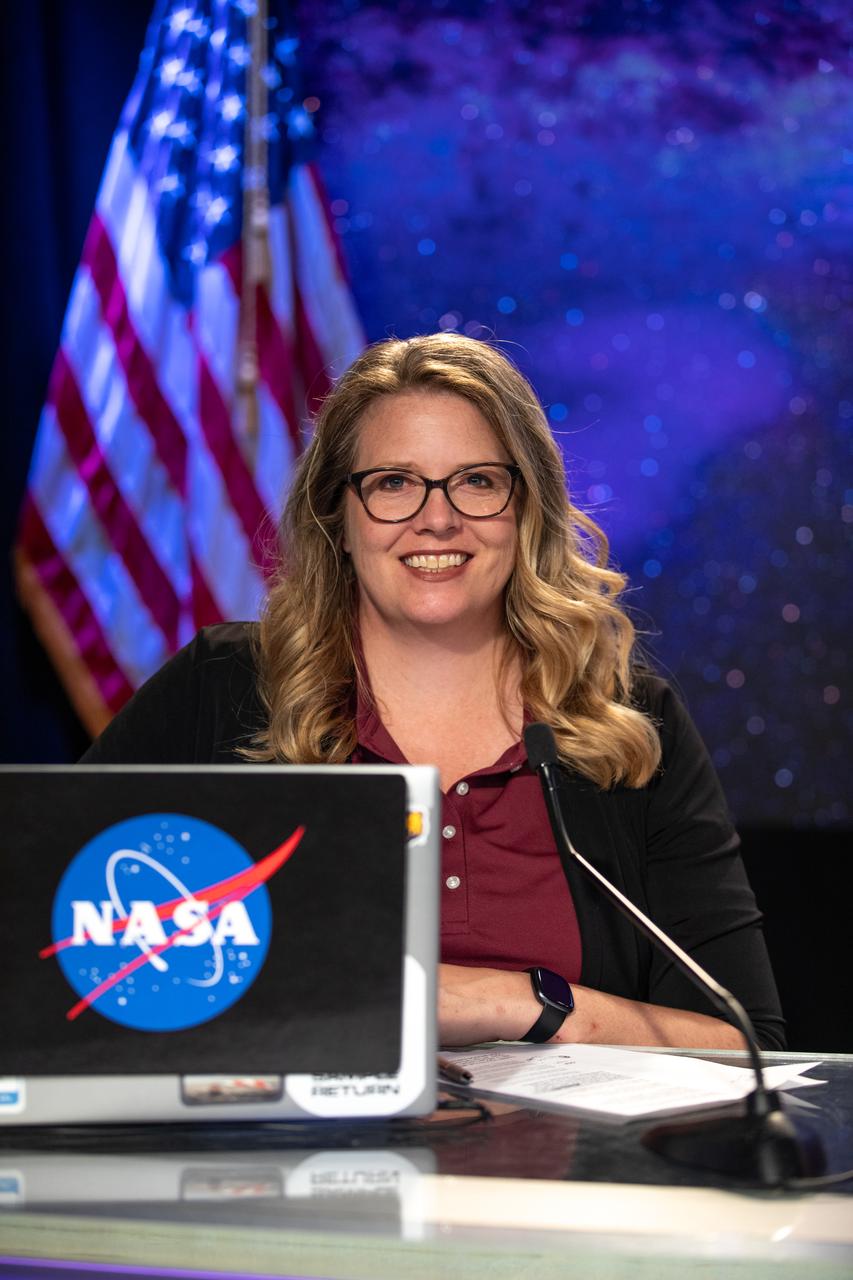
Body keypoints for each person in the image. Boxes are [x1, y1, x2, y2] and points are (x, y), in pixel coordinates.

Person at [82, 332, 785, 1051]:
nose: (437, 517)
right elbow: (45, 940)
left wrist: (513, 1000)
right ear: (339, 519)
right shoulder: (221, 688)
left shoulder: (625, 723)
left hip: (563, 1161)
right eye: (393, 483)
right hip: (279, 1154)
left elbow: (740, 1041)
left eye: (477, 480)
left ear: (525, 508)